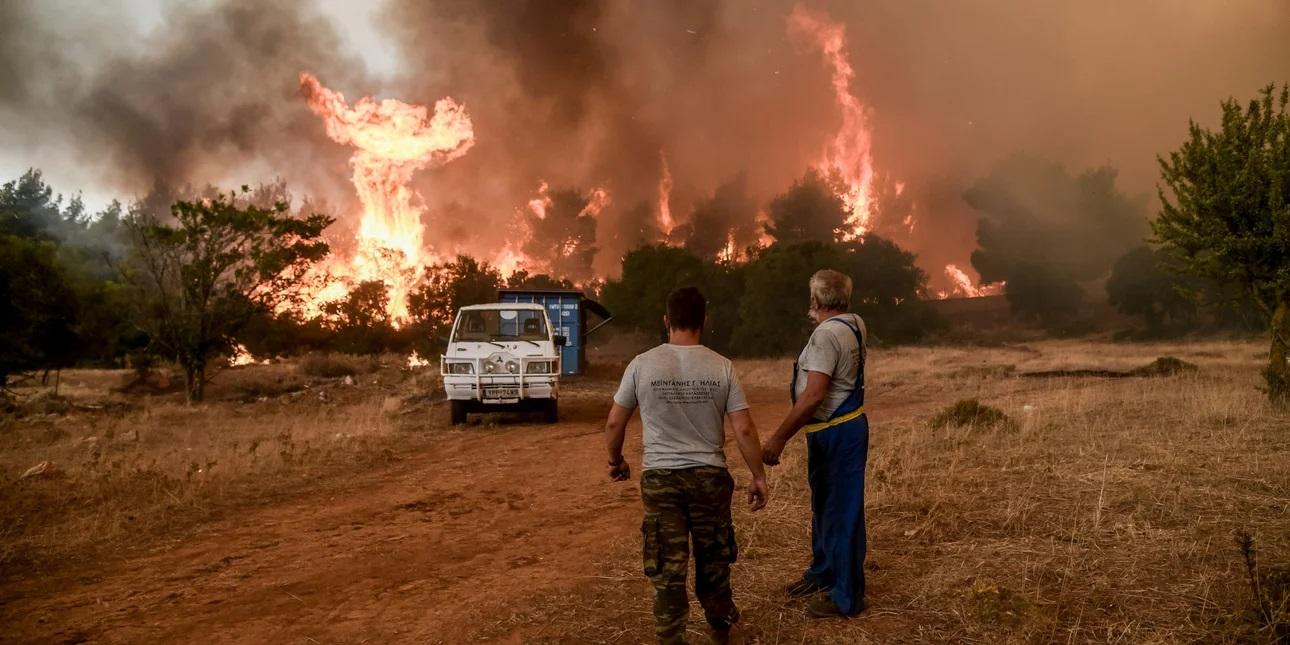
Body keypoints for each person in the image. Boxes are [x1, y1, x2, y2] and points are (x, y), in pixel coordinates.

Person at [604, 286, 769, 644]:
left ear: (667, 320)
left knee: (667, 565)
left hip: (661, 479)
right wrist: (758, 476)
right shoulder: (721, 366)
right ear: (703, 321)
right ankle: (720, 630)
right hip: (709, 477)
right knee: (714, 558)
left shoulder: (642, 364)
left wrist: (616, 460)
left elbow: (615, 422)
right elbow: (742, 427)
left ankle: (671, 636)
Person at [761, 269, 869, 618]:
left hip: (835, 431)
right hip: (843, 428)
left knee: (840, 511)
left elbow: (813, 397)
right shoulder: (855, 323)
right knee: (827, 506)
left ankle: (845, 597)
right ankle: (823, 572)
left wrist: (777, 439)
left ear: (816, 301)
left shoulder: (825, 336)